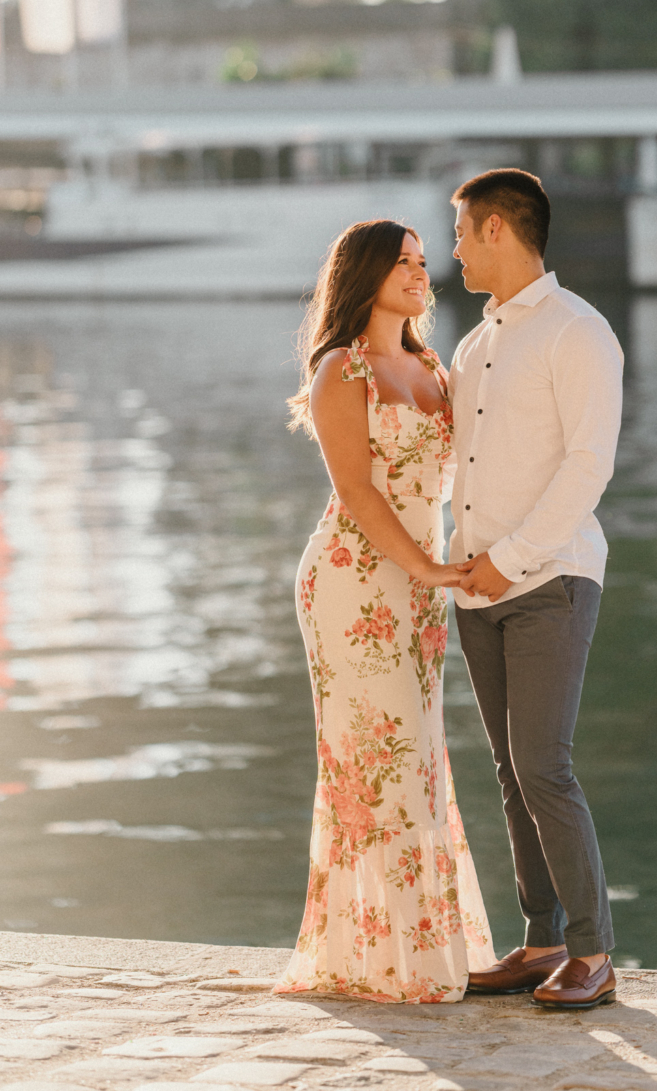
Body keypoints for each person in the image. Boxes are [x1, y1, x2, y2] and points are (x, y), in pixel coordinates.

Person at [275, 218, 493, 1003]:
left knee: (421, 759)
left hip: (419, 591)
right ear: (365, 273)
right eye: (403, 262)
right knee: (374, 761)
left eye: (423, 262)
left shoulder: (433, 366)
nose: (419, 273)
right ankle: (381, 957)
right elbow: (358, 495)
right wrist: (431, 567)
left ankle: (422, 948)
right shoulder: (344, 369)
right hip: (353, 583)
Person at [449, 169, 624, 1010]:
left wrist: (512, 557)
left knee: (543, 764)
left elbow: (588, 468)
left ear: (495, 230)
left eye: (458, 233)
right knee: (510, 774)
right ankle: (542, 939)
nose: (451, 252)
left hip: (551, 577)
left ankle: (593, 952)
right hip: (477, 589)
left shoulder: (577, 331)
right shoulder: (473, 344)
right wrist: (459, 561)